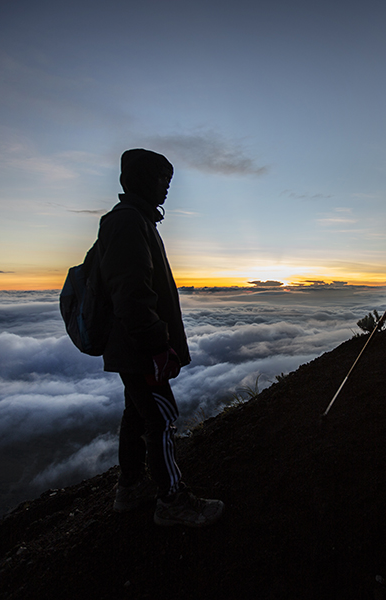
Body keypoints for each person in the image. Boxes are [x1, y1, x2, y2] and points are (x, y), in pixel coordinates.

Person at [98, 148, 224, 528]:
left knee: (137, 414)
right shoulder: (128, 222)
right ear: (142, 179)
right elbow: (132, 294)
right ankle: (171, 500)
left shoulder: (135, 220)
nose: (167, 188)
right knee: (161, 417)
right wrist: (157, 345)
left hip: (131, 345)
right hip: (140, 348)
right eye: (161, 179)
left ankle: (131, 487)